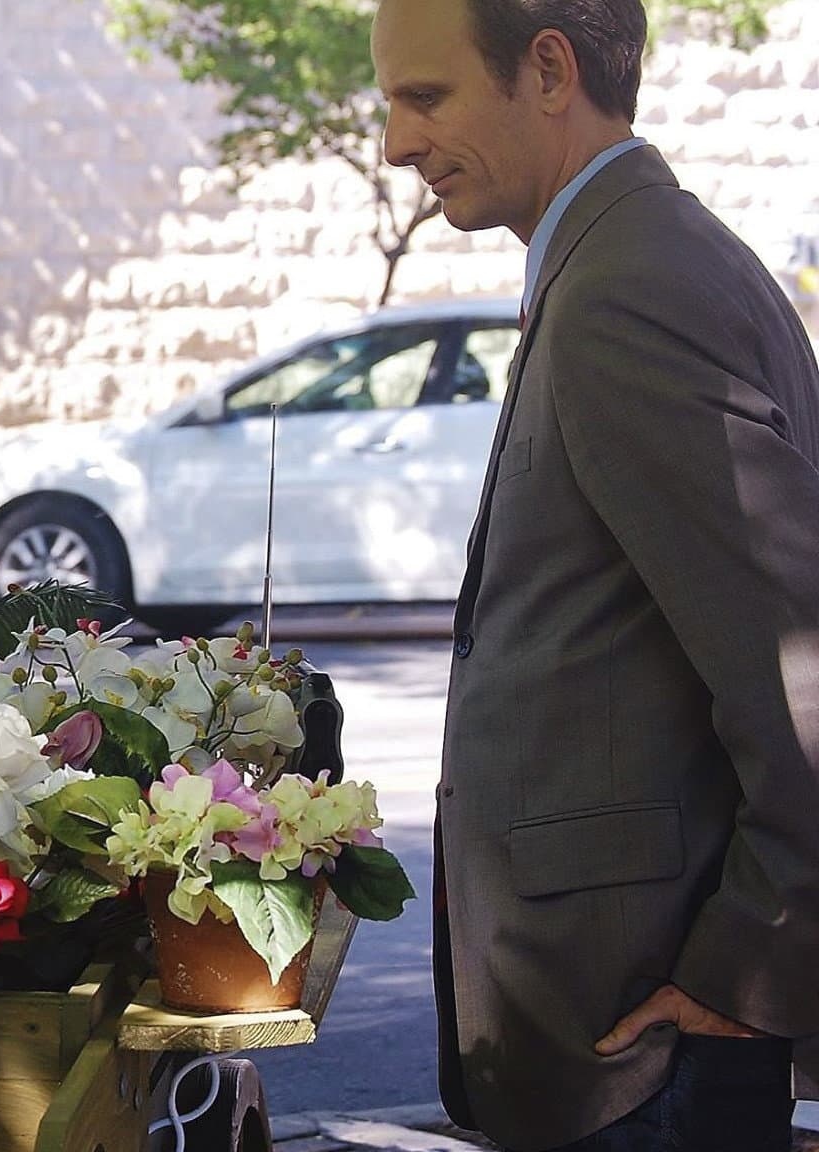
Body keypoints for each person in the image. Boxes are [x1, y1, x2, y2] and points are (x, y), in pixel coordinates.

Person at [371, 1, 819, 1148]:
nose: (394, 143)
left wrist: (743, 973)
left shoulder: (632, 279)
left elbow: (796, 668)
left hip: (643, 1055)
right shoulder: (622, 255)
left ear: (549, 69)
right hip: (627, 1042)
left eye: (422, 97)